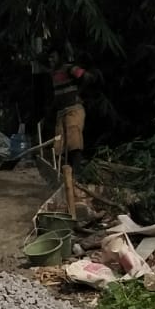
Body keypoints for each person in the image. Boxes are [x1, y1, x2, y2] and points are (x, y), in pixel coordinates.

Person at [48, 48, 88, 203]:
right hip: (61, 112)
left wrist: (79, 94)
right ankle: (63, 179)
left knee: (73, 141)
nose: (50, 60)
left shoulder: (68, 68)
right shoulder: (54, 74)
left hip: (73, 109)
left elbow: (86, 76)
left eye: (53, 56)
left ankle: (76, 176)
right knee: (59, 144)